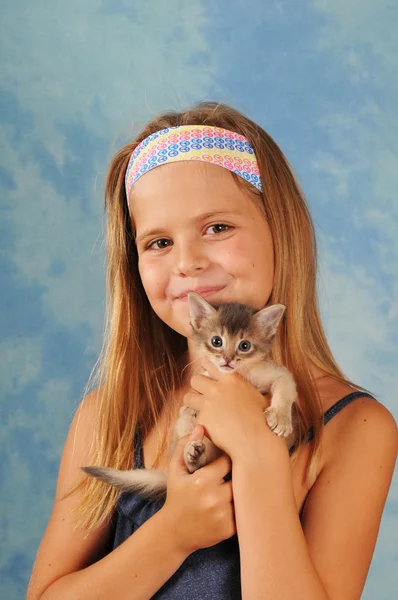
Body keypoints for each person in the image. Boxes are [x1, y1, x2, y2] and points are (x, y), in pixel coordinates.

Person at [27, 101, 397, 600]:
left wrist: (259, 457)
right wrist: (173, 533)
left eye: (217, 228)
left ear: (280, 230)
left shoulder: (356, 427)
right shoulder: (106, 416)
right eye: (158, 242)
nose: (188, 264)